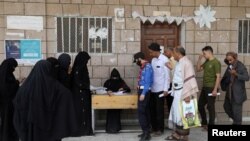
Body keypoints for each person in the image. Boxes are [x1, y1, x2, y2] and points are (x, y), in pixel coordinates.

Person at [13, 60, 77, 141]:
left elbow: (18, 107)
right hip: (51, 132)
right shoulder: (56, 87)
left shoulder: (25, 88)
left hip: (31, 132)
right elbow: (66, 94)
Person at [166, 47, 199, 141]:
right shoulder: (179, 62)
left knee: (183, 114)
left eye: (173, 53)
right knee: (176, 114)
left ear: (178, 53)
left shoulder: (186, 63)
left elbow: (190, 79)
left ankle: (184, 137)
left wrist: (187, 95)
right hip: (177, 92)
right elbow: (178, 76)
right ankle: (177, 134)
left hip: (184, 92)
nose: (172, 55)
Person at [196, 46, 221, 130]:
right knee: (200, 105)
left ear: (209, 52)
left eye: (204, 53)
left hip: (211, 88)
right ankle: (204, 123)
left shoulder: (216, 62)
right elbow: (198, 69)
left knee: (210, 107)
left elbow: (218, 77)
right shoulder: (207, 62)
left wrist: (215, 89)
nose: (203, 55)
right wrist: (199, 59)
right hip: (205, 87)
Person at [148, 43, 170, 136]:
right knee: (152, 109)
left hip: (161, 89)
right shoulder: (153, 60)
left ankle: (160, 129)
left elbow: (167, 76)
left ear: (156, 51)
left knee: (159, 110)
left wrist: (165, 89)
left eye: (151, 52)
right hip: (152, 89)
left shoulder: (165, 60)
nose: (150, 53)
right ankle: (154, 128)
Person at [222, 52, 249, 125]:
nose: (229, 62)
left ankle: (237, 122)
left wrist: (236, 74)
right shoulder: (230, 65)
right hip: (230, 92)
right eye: (228, 60)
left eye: (230, 60)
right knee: (226, 107)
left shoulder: (240, 66)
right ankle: (236, 120)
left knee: (237, 113)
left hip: (238, 94)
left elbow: (247, 77)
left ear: (235, 58)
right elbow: (226, 76)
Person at [70, 51, 93, 136]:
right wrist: (87, 87)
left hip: (84, 93)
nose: (87, 62)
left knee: (85, 112)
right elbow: (78, 83)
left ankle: (86, 130)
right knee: (81, 113)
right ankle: (82, 131)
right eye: (86, 60)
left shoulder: (83, 67)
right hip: (80, 95)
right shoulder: (78, 69)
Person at [103, 68, 131, 133]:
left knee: (116, 114)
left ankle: (116, 128)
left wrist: (123, 88)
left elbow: (128, 89)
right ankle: (110, 128)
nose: (115, 79)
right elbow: (103, 89)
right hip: (109, 102)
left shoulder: (121, 81)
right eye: (113, 77)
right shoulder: (108, 82)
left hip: (118, 102)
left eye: (116, 77)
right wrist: (107, 91)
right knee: (110, 114)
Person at [134, 52, 153, 141]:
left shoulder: (147, 67)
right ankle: (146, 131)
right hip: (142, 90)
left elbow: (148, 81)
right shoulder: (144, 67)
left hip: (144, 91)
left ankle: (146, 132)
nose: (136, 62)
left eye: (136, 60)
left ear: (139, 59)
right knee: (145, 111)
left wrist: (143, 93)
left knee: (141, 112)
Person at [0, 58, 19, 141]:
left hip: (7, 105)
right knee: (7, 124)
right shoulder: (5, 76)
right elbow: (7, 90)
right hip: (6, 105)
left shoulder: (5, 74)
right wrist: (16, 83)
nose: (14, 69)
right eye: (13, 67)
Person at [163, 47, 176, 113]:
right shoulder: (168, 60)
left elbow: (175, 72)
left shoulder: (174, 60)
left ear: (170, 51)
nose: (164, 54)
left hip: (173, 84)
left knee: (171, 102)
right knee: (169, 102)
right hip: (169, 84)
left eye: (166, 52)